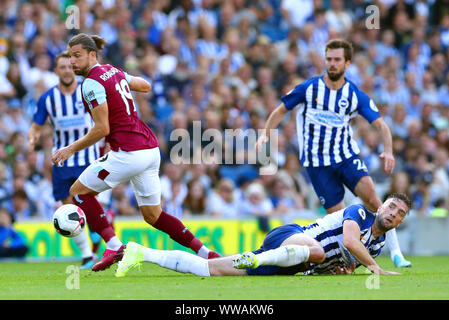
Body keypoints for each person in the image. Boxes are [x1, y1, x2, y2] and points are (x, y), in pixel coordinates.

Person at [51, 33, 219, 272]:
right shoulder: (113, 70)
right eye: (70, 57)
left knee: (78, 192)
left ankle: (113, 245)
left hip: (128, 152)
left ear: (92, 54)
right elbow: (146, 85)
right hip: (150, 150)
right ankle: (206, 252)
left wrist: (70, 149)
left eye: (77, 56)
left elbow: (102, 129)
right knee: (153, 215)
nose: (72, 63)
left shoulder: (90, 84)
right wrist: (121, 83)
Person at [255, 39, 411, 268]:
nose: (332, 64)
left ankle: (397, 254)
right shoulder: (309, 88)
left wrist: (388, 151)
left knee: (374, 200)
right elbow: (280, 111)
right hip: (318, 165)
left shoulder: (353, 94)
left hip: (345, 157)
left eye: (337, 60)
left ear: (347, 63)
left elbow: (381, 125)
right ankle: (344, 263)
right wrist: (265, 134)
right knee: (339, 219)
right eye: (329, 59)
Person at [115, 193, 411, 278]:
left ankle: (140, 252)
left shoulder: (378, 244)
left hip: (294, 263)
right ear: (381, 205)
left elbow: (345, 263)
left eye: (399, 213)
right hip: (290, 237)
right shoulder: (360, 213)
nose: (393, 213)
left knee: (210, 270)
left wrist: (343, 272)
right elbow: (349, 241)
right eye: (391, 206)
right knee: (317, 251)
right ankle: (253, 259)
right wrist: (374, 268)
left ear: (399, 222)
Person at [28, 51, 104, 269]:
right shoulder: (48, 98)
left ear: (75, 69)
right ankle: (88, 256)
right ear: (56, 71)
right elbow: (36, 125)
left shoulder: (87, 91)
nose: (67, 71)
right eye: (62, 67)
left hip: (87, 158)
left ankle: (99, 239)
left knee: (90, 205)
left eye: (70, 67)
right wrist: (32, 137)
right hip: (61, 161)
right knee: (67, 209)